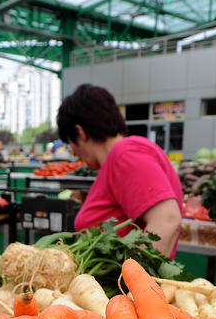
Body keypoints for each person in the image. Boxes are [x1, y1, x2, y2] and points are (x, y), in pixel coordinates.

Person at [56, 83, 182, 258]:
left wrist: (132, 282)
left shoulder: (127, 153)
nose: (74, 153)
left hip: (123, 285)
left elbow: (167, 220)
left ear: (80, 132)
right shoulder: (121, 157)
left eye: (70, 144)